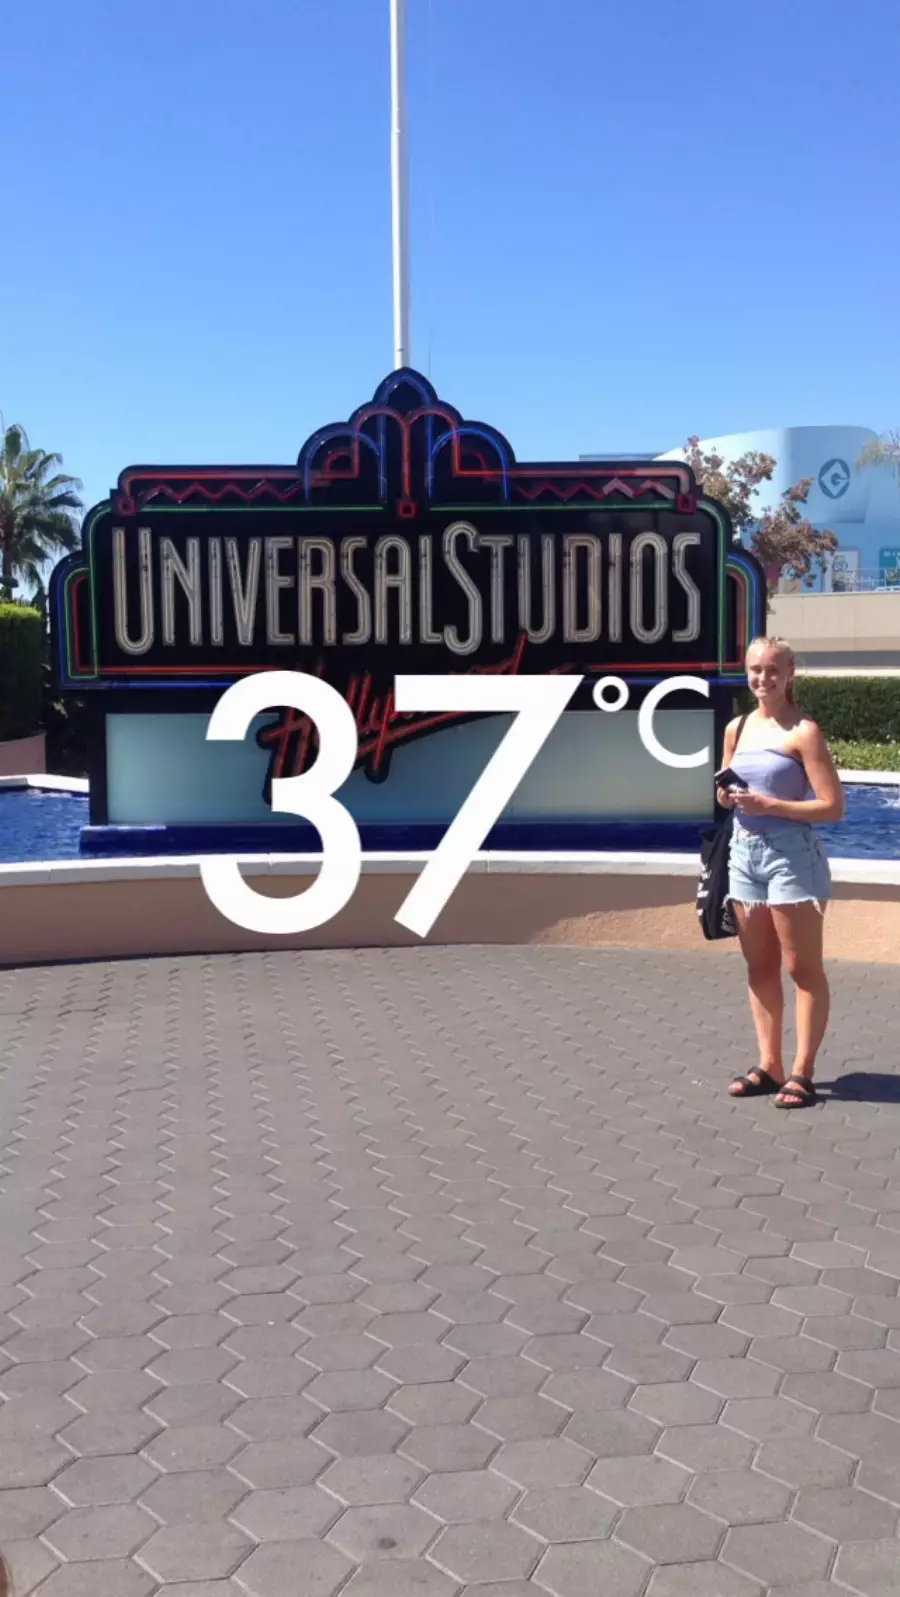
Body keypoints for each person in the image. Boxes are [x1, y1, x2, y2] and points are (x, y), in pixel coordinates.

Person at [716, 635, 844, 1109]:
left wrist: (770, 805)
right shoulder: (737, 727)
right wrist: (727, 797)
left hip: (792, 857)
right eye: (756, 669)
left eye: (773, 669)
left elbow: (832, 807)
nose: (763, 678)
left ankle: (802, 1072)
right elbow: (724, 791)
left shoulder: (804, 732)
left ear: (790, 675)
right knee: (759, 966)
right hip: (743, 856)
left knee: (801, 968)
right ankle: (769, 1065)